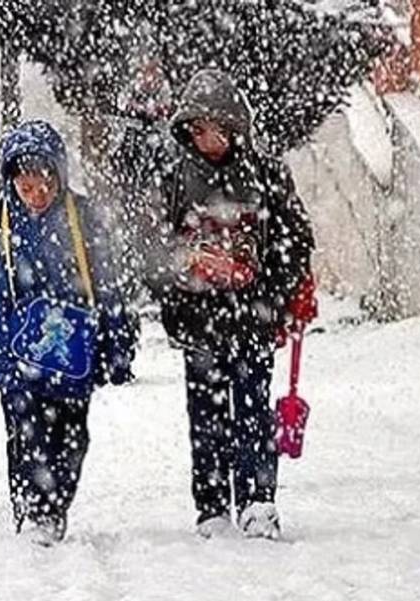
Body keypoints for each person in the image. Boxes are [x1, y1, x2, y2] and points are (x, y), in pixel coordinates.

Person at [0, 120, 137, 546]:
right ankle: (33, 511)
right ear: (11, 182)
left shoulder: (82, 218)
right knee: (25, 432)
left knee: (71, 437)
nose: (36, 196)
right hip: (13, 353)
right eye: (26, 187)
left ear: (59, 177)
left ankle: (54, 505)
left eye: (44, 185)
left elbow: (108, 285)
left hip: (72, 353)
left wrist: (119, 346)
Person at [151, 69, 317, 540]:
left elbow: (294, 237)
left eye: (219, 130)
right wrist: (181, 280)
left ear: (236, 128)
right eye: (199, 130)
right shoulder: (174, 177)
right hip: (199, 319)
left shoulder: (264, 172)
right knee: (205, 415)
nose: (210, 140)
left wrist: (275, 293)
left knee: (252, 410)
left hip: (253, 317)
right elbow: (154, 244)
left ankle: (258, 500)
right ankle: (211, 506)